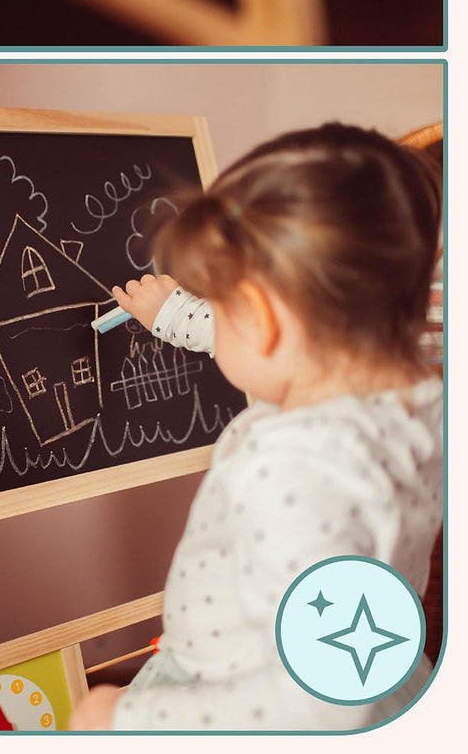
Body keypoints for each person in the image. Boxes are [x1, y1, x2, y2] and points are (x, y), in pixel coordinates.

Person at [70, 124, 442, 731]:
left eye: (218, 301)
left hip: (251, 693)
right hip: (390, 661)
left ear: (264, 317)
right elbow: (273, 338)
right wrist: (171, 313)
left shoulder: (296, 467)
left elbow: (328, 702)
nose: (214, 317)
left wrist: (129, 718)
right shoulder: (412, 399)